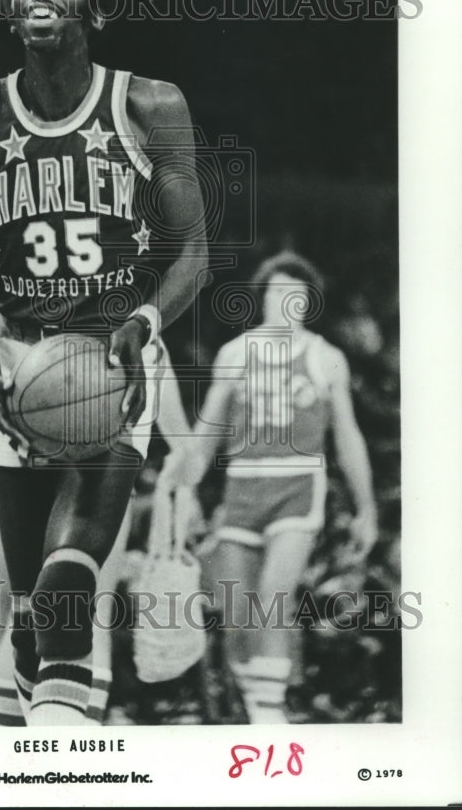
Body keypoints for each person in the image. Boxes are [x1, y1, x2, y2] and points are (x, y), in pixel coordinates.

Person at [0, 0, 207, 725]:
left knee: (64, 588)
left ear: (96, 7)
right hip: (20, 370)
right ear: (10, 13)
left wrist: (147, 320)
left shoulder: (149, 104)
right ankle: (33, 729)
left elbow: (193, 249)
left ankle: (62, 751)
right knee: (27, 627)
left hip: (114, 364)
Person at [0, 254, 197, 726]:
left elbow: (151, 355)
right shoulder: (86, 221)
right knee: (46, 613)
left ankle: (33, 741)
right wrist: (183, 449)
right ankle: (28, 738)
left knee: (37, 613)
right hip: (42, 442)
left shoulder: (55, 222)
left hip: (60, 443)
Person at [160, 252, 378, 723]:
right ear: (262, 299)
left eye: (296, 295)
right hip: (242, 486)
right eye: (279, 293)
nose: (287, 302)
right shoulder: (237, 353)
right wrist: (187, 492)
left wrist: (367, 508)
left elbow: (348, 436)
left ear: (308, 303)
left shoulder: (325, 358)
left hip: (297, 485)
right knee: (237, 613)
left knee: (273, 598)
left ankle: (270, 714)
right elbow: (208, 430)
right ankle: (259, 703)